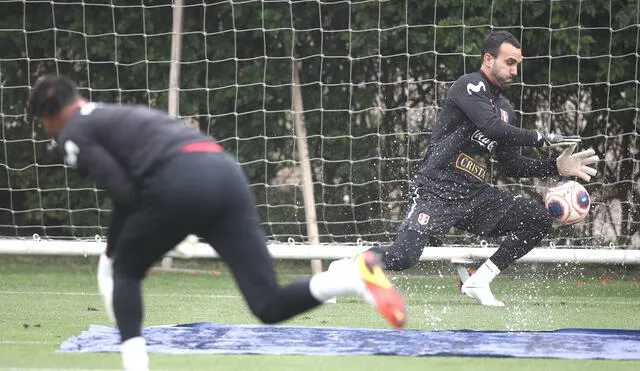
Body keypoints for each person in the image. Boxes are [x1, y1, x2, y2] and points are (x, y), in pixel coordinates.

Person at [27, 75, 406, 371]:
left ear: (50, 114)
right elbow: (129, 188)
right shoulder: (114, 116)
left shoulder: (74, 131)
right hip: (225, 173)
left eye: (44, 125)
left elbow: (124, 194)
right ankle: (353, 277)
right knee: (267, 304)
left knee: (124, 273)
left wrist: (128, 245)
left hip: (179, 182)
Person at [330, 31, 599, 307]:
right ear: (487, 59)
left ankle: (479, 280)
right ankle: (341, 270)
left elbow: (512, 166)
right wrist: (541, 138)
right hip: (436, 191)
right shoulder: (468, 86)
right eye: (509, 62)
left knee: (537, 219)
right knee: (404, 256)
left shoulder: (506, 109)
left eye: (517, 64)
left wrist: (555, 166)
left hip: (475, 196)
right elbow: (492, 128)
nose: (514, 70)